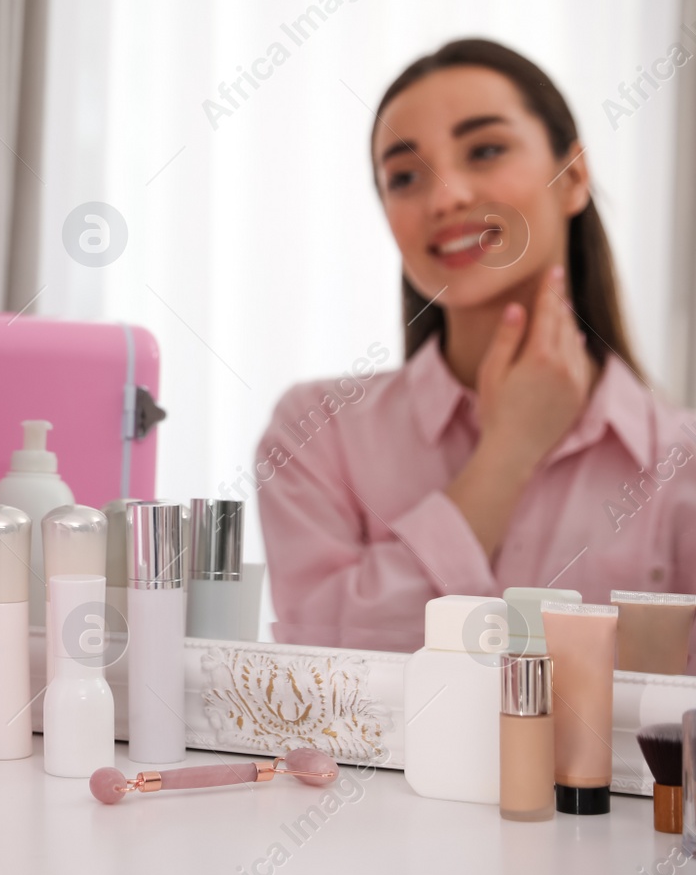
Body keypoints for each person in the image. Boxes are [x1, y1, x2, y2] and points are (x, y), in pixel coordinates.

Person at [257, 37, 696, 666]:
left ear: (571, 178)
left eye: (485, 149)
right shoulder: (313, 433)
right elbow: (325, 678)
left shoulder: (681, 463)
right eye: (405, 177)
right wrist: (507, 454)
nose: (445, 198)